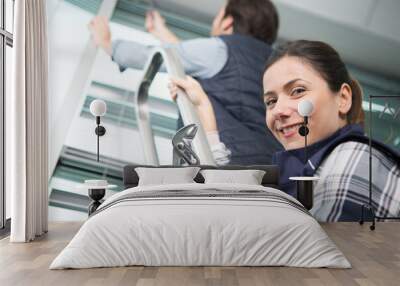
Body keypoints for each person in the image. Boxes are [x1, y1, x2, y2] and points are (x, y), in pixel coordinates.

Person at [169, 40, 400, 222]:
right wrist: (205, 114)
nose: (279, 110)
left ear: (343, 99)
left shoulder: (354, 158)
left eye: (298, 91)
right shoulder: (305, 172)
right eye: (270, 101)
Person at [88, 0, 282, 165]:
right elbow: (202, 65)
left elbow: (145, 56)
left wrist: (105, 42)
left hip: (228, 161)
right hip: (276, 167)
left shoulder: (219, 48)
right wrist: (161, 31)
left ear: (227, 22)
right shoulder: (277, 62)